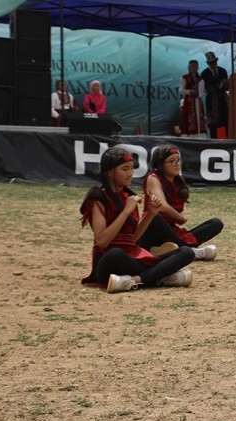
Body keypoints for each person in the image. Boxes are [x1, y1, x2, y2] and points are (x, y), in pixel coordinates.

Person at [79, 146, 195, 293]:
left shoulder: (129, 197)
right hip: (109, 262)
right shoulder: (98, 199)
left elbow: (132, 239)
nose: (130, 174)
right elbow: (102, 241)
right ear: (109, 172)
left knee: (186, 252)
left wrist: (151, 214)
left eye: (132, 168)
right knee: (115, 254)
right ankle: (160, 276)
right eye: (125, 169)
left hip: (133, 257)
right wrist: (126, 211)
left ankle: (134, 280)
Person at [137, 145, 223, 258]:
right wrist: (180, 218)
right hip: (151, 232)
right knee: (155, 216)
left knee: (216, 223)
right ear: (160, 164)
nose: (177, 164)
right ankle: (190, 252)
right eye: (172, 161)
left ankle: (168, 250)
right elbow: (162, 206)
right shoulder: (153, 178)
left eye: (178, 160)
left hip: (171, 232)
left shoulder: (178, 180)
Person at [200, 52, 229, 139]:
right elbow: (203, 90)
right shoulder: (204, 74)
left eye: (215, 62)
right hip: (212, 102)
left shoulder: (223, 71)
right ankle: (214, 143)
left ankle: (229, 141)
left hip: (223, 100)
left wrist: (226, 83)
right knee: (213, 124)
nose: (214, 64)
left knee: (226, 121)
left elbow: (227, 87)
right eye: (212, 63)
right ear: (208, 64)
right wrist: (216, 86)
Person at [178, 61, 207, 137]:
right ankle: (189, 136)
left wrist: (202, 92)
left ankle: (200, 135)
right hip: (189, 101)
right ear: (189, 67)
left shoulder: (200, 79)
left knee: (200, 118)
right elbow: (181, 90)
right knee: (189, 117)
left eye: (196, 66)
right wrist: (190, 91)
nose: (194, 68)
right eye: (192, 66)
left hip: (198, 101)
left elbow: (202, 92)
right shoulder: (185, 77)